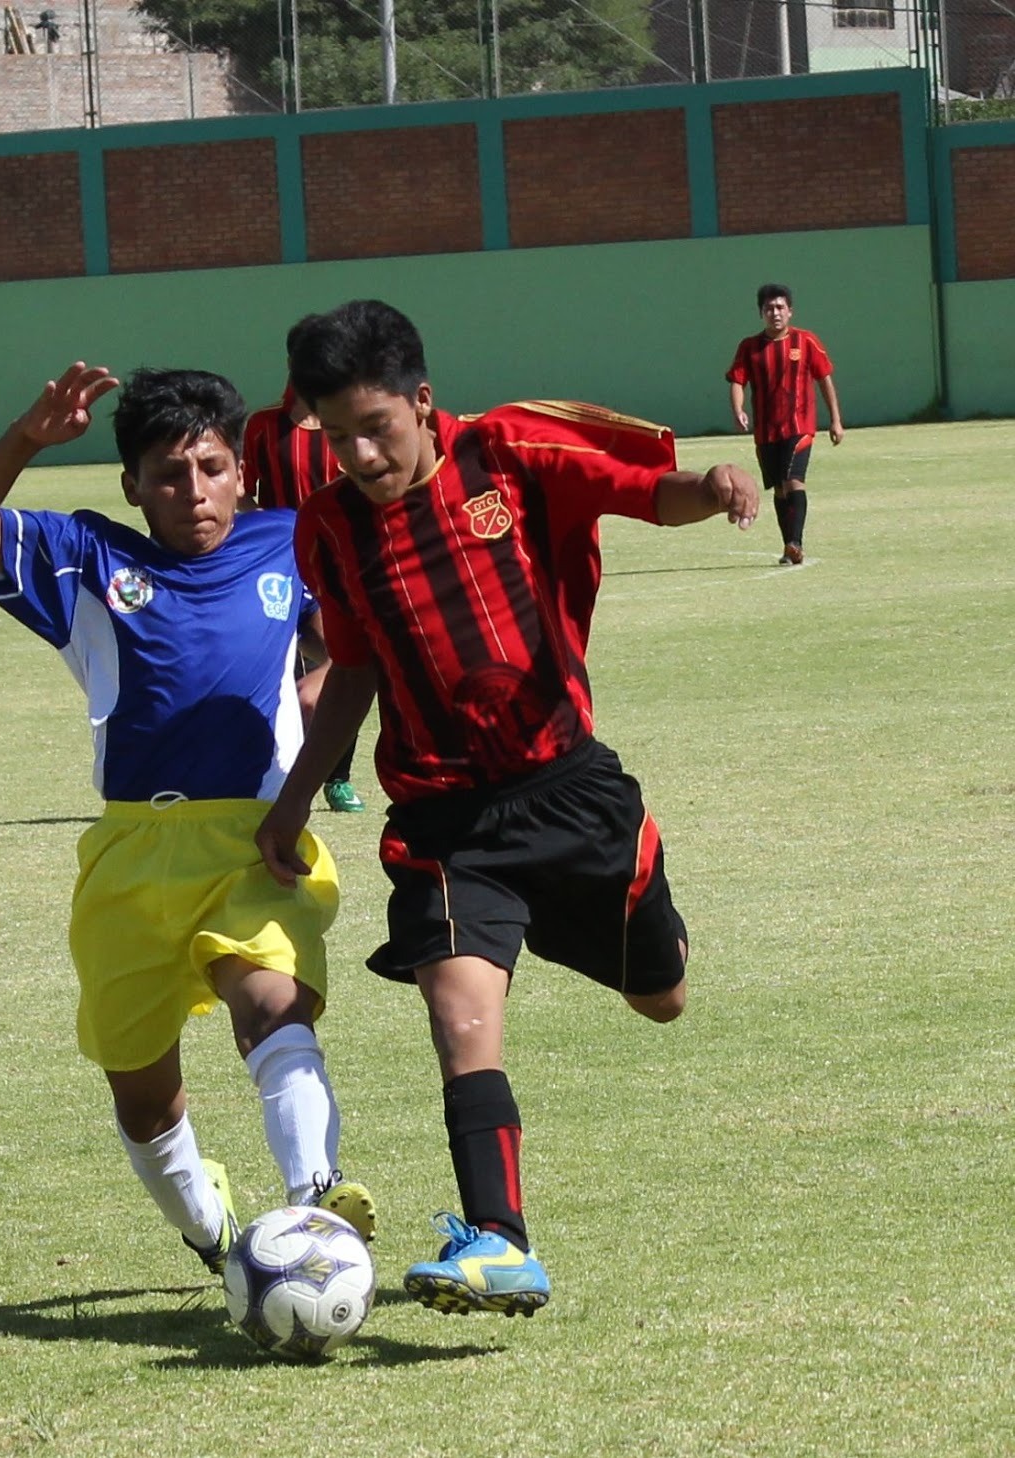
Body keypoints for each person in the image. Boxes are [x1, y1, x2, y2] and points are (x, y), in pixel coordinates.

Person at [255, 299, 759, 1318]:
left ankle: (627, 899)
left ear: (422, 400)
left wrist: (710, 489)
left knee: (660, 996)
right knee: (458, 1017)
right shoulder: (327, 527)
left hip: (569, 794)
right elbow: (350, 663)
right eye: (333, 434)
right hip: (442, 818)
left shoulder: (507, 453)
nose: (355, 453)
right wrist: (296, 795)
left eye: (375, 427)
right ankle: (500, 1241)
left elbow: (636, 491)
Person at [0, 362, 375, 1276]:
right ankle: (214, 1234)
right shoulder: (89, 556)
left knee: (272, 1001)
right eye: (168, 475)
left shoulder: (292, 543)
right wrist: (26, 437)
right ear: (132, 485)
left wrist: (307, 706)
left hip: (255, 837)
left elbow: (354, 648)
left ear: (242, 470)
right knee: (143, 1094)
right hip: (133, 851)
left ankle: (314, 1206)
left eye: (212, 467)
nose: (194, 491)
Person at [242, 368, 365, 815]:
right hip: (275, 561)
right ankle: (276, 774)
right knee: (278, 668)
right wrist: (272, 530)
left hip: (334, 564)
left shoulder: (344, 428)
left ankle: (338, 778)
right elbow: (242, 491)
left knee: (344, 662)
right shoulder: (263, 426)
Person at [726, 282, 843, 565]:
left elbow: (824, 378)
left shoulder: (806, 341)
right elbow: (738, 380)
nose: (775, 313)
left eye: (780, 307)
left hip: (800, 427)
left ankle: (795, 542)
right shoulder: (750, 347)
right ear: (761, 313)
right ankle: (788, 547)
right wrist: (738, 409)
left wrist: (836, 420)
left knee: (793, 482)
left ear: (790, 311)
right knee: (779, 489)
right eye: (769, 308)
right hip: (767, 432)